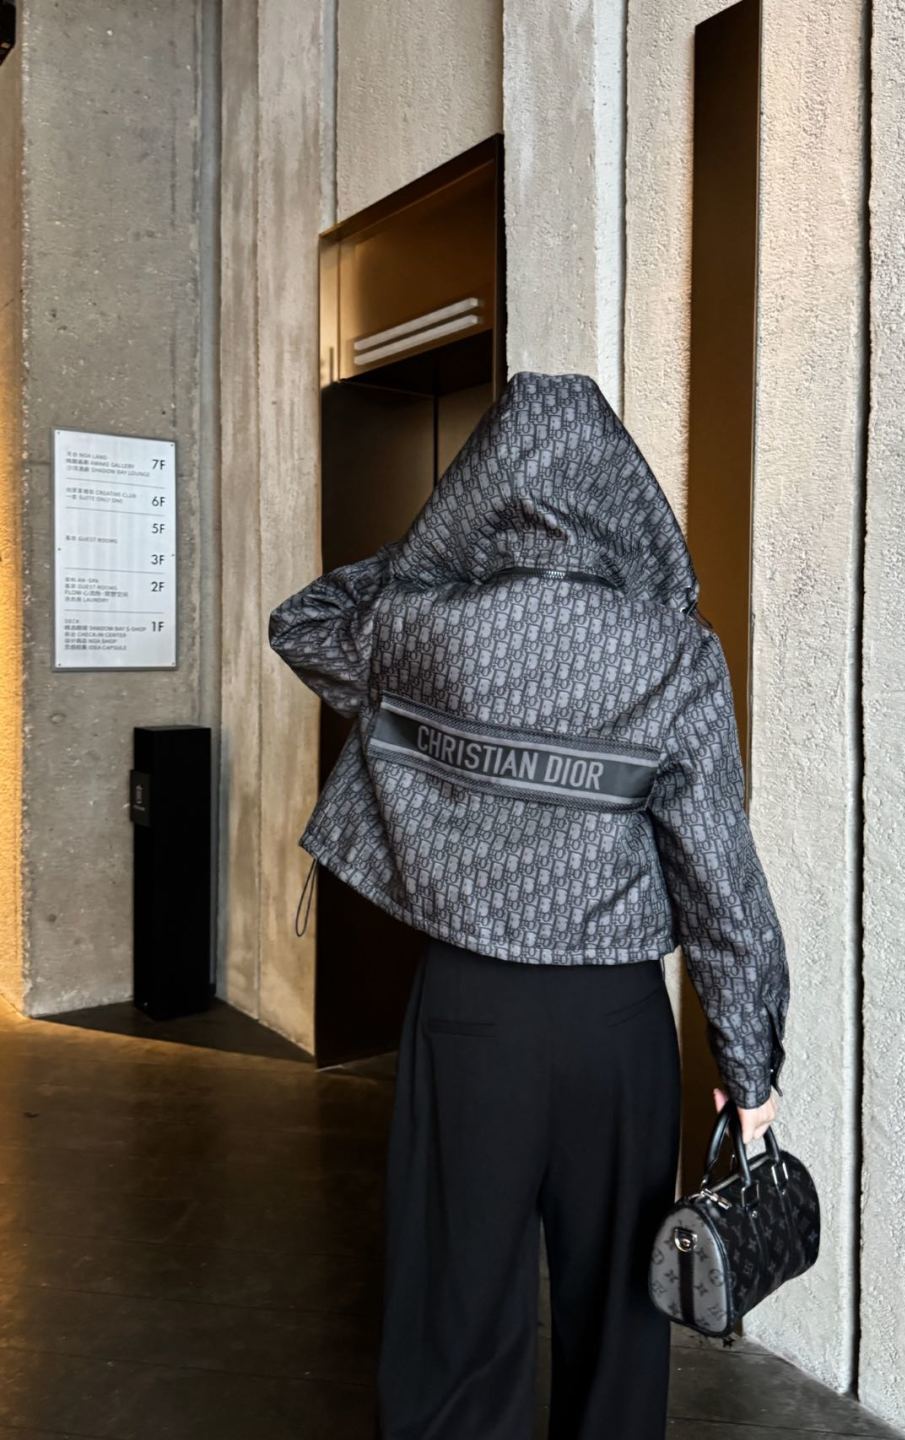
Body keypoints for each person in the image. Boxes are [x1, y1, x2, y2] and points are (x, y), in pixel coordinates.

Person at [267, 370, 789, 1440]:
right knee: (621, 1320)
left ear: (486, 485)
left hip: (468, 1016)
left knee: (454, 1316)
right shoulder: (672, 649)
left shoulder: (422, 627)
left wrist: (436, 554)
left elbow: (304, 622)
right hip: (616, 1028)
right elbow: (722, 880)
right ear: (617, 487)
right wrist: (750, 1070)